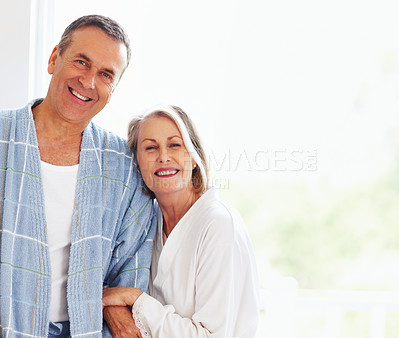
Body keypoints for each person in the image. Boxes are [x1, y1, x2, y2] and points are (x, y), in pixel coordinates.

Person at [0, 15, 155, 337]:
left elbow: (131, 266)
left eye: (105, 74)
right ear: (54, 58)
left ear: (114, 88)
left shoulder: (124, 167)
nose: (89, 82)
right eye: (81, 62)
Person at [102, 105, 260, 337]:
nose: (163, 157)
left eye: (174, 145)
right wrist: (111, 307)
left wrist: (136, 300)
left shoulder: (218, 225)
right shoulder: (145, 223)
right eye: (150, 147)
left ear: (194, 158)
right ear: (137, 163)